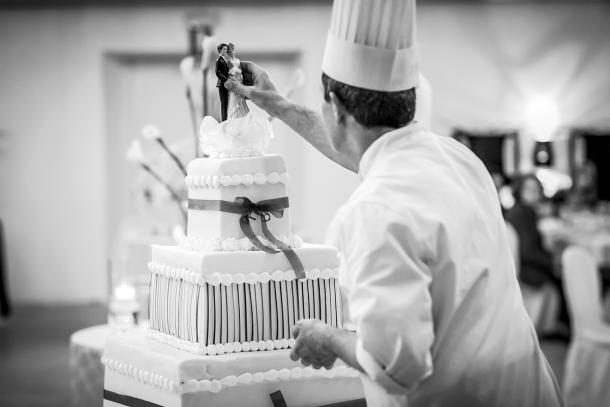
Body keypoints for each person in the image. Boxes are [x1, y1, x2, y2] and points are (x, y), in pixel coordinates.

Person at [226, 1, 563, 405]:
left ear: (334, 106)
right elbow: (361, 150)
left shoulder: (373, 212)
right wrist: (278, 105)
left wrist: (329, 338)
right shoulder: (458, 158)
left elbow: (395, 366)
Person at [505, 173, 570, 333]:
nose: (533, 193)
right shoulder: (523, 214)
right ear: (519, 190)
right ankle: (565, 325)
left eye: (536, 189)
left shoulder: (520, 210)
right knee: (563, 275)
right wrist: (552, 261)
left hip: (522, 266)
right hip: (528, 271)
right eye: (529, 189)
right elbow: (528, 252)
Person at [226, 43, 249, 119]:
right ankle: (234, 115)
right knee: (235, 97)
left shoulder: (237, 60)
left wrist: (240, 74)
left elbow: (239, 68)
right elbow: (230, 70)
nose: (233, 51)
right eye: (231, 49)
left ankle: (243, 113)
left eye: (233, 49)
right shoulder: (228, 60)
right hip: (234, 78)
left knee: (241, 97)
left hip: (239, 78)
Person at [214, 43, 230, 121]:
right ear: (220, 50)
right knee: (224, 103)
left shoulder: (225, 60)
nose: (226, 50)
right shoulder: (219, 60)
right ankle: (224, 120)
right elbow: (217, 72)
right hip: (222, 84)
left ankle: (226, 119)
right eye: (224, 49)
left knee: (227, 103)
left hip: (226, 84)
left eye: (226, 49)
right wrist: (226, 79)